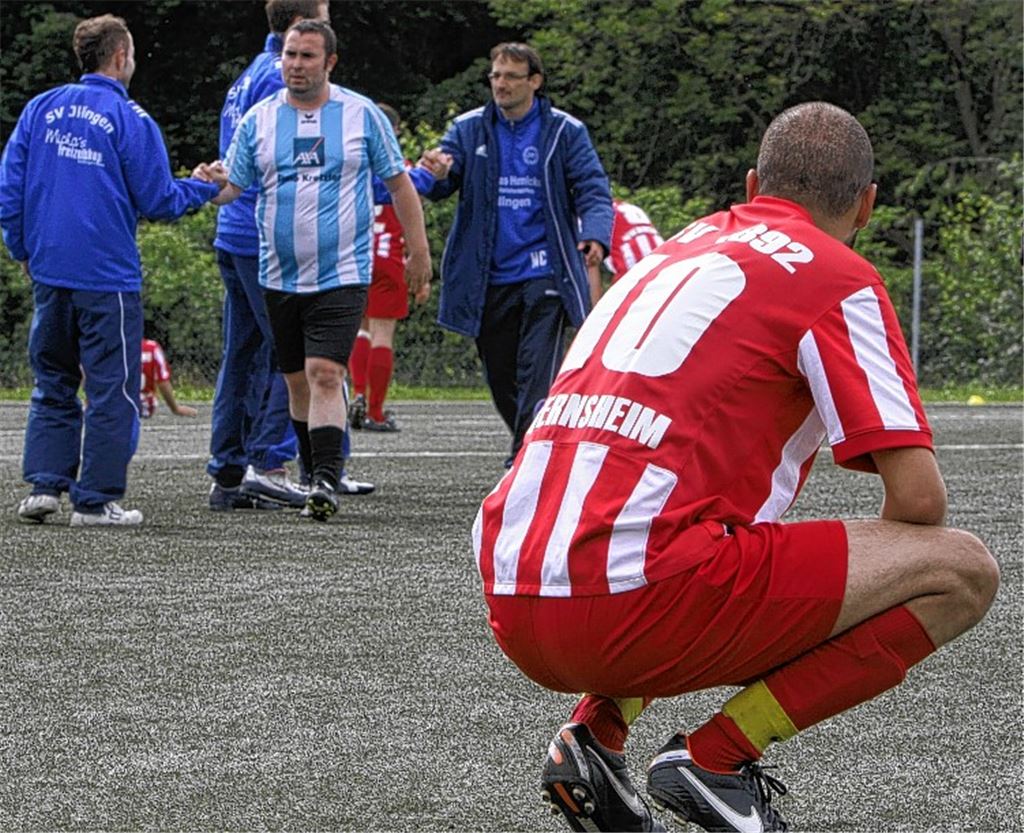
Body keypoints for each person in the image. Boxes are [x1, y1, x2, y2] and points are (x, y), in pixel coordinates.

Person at [472, 102, 1000, 832]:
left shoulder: (670, 250)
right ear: (867, 205)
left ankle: (595, 735)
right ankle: (717, 757)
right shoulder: (839, 276)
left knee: (701, 518)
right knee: (960, 568)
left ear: (753, 184)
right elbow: (918, 501)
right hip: (628, 605)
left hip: (509, 586)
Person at [204, 19, 431, 522]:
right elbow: (234, 189)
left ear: (330, 62)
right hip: (278, 274)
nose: (296, 66)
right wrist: (204, 185)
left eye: (308, 56)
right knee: (297, 385)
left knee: (325, 371)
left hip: (344, 270)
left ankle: (326, 479)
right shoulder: (259, 120)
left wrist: (419, 251)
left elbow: (399, 184)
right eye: (290, 55)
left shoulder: (361, 115)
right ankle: (314, 476)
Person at [0, 14, 222, 527]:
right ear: (120, 57)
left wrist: (22, 250)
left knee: (52, 377)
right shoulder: (131, 118)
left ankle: (44, 486)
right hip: (107, 276)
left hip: (50, 268)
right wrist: (207, 188)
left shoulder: (40, 108)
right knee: (111, 387)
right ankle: (96, 500)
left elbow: (10, 190)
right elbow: (159, 199)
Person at [421, 42, 613, 467]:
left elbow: (594, 191)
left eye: (511, 76)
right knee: (500, 370)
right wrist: (433, 172)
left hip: (546, 270)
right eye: (495, 76)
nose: (501, 84)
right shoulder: (468, 129)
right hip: (487, 274)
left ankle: (524, 460)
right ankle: (532, 442)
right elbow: (437, 180)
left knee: (536, 367)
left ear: (534, 82)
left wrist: (596, 236)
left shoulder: (565, 131)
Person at [207, 0, 329, 513]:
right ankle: (271, 464)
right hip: (264, 235)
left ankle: (229, 469)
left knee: (242, 355)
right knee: (292, 353)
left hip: (233, 233)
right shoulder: (279, 79)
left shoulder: (247, 75)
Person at [348, 102, 445, 433]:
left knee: (359, 329)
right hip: (390, 259)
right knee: (383, 334)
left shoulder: (354, 166)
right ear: (396, 131)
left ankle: (357, 393)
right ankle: (375, 410)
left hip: (356, 256)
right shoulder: (400, 169)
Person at [586, 198, 665, 303]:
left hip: (632, 283)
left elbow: (591, 263)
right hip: (669, 273)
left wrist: (594, 314)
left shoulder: (591, 218)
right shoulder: (631, 208)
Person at [140, 337, 197, 418]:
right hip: (144, 406)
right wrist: (175, 408)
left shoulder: (117, 347)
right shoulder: (151, 347)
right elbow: (163, 383)